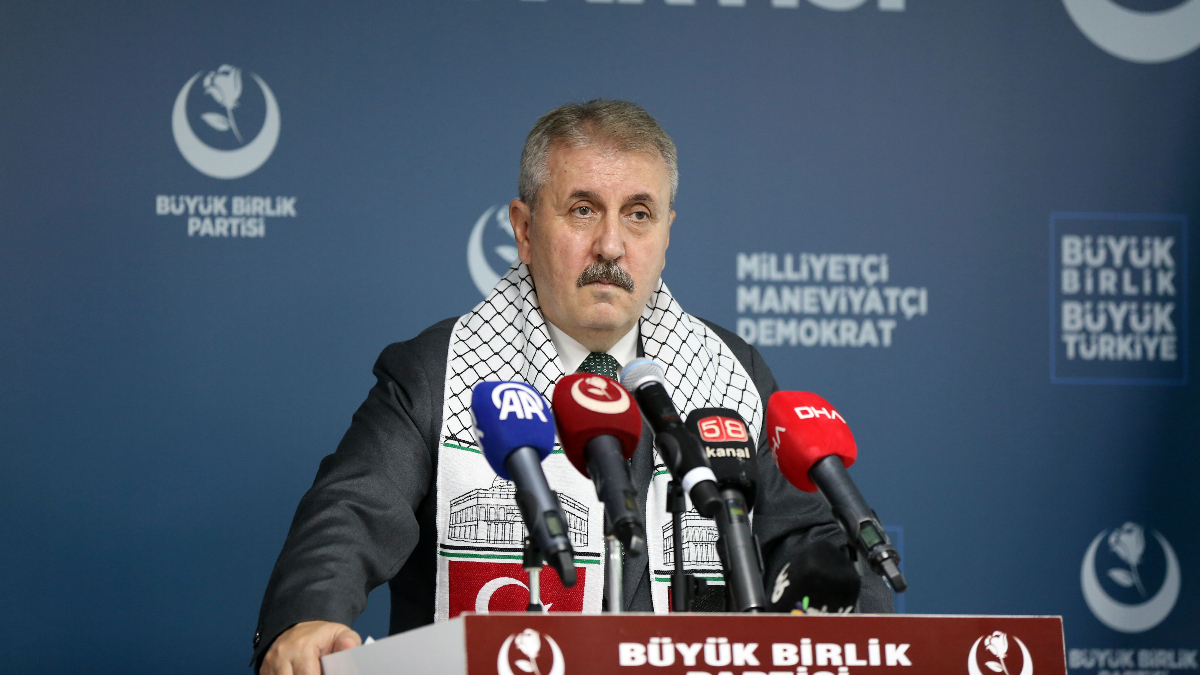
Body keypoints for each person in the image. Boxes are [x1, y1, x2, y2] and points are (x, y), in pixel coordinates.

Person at [253, 99, 892, 675]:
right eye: (583, 210)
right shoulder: (440, 367)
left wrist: (850, 619)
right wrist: (306, 618)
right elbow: (352, 510)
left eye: (638, 215)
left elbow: (807, 538)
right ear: (524, 229)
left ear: (667, 233)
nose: (610, 245)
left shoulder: (730, 369)